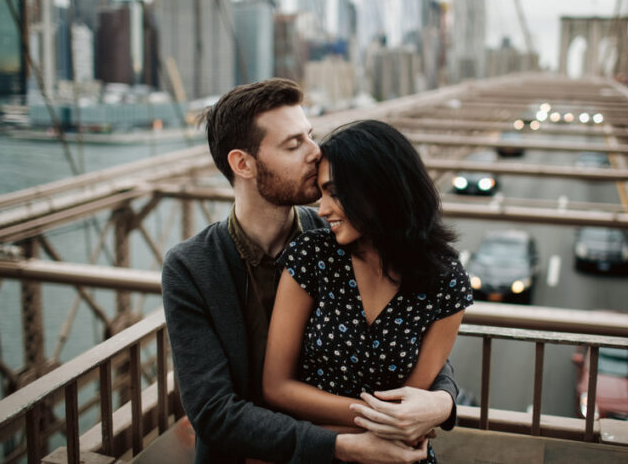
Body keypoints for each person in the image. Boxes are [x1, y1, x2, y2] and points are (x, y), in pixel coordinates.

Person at [162, 79, 459, 464]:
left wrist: (443, 401)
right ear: (243, 164)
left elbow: (408, 326)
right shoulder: (191, 268)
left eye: (310, 136)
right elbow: (213, 413)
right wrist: (342, 446)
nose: (315, 152)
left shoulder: (340, 234)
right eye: (293, 144)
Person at [262, 121, 473, 463]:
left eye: (334, 192)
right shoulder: (312, 256)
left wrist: (411, 417)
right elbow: (276, 387)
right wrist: (377, 420)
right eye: (321, 193)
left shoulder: (446, 282)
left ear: (379, 188)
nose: (322, 210)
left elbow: (412, 409)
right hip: (319, 452)